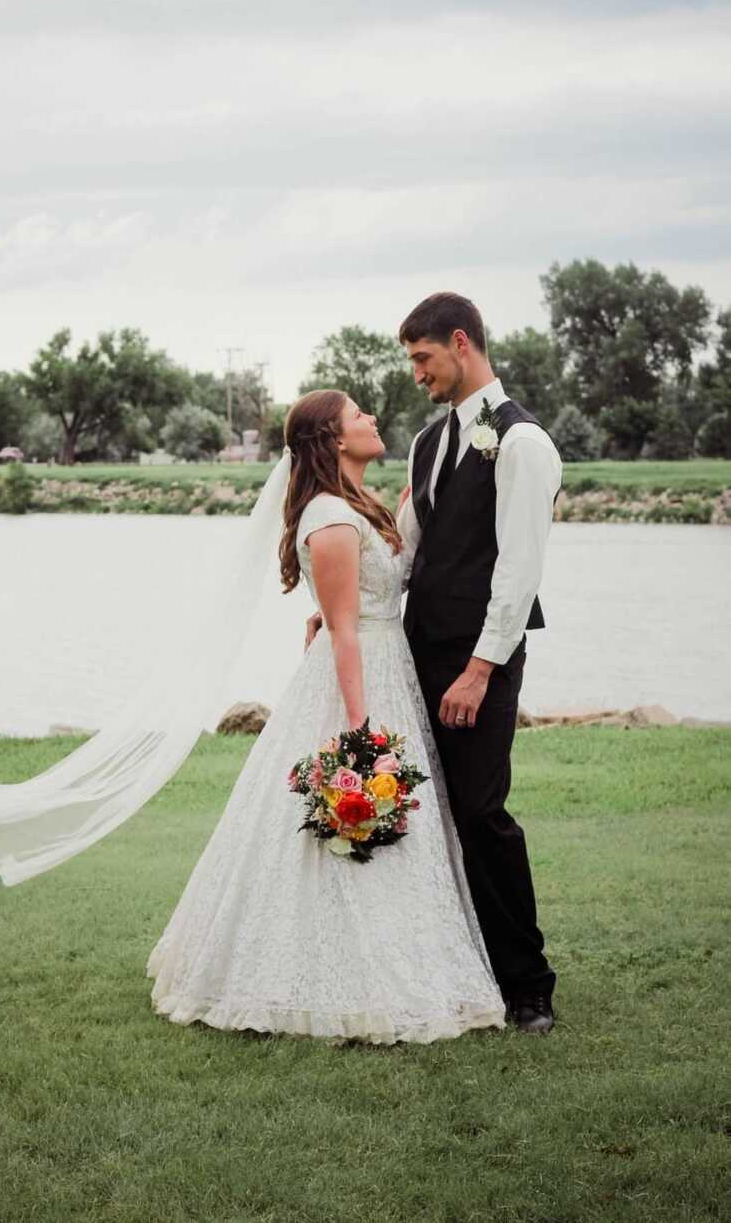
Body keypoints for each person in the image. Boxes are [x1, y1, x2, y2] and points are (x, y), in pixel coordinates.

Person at [146, 388, 505, 1043]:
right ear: (334, 439)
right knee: (348, 819)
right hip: (360, 680)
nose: (371, 418)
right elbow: (344, 632)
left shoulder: (352, 507)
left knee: (387, 834)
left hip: (383, 662)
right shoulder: (332, 518)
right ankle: (335, 981)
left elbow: (356, 600)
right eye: (358, 415)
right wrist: (362, 732)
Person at [396, 291, 562, 1034]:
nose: (418, 374)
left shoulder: (523, 443)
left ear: (461, 344)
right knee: (427, 815)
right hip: (413, 651)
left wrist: (480, 668)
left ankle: (528, 987)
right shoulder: (428, 442)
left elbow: (519, 570)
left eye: (423, 359)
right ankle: (451, 969)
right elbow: (414, 545)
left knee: (482, 812)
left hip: (477, 663)